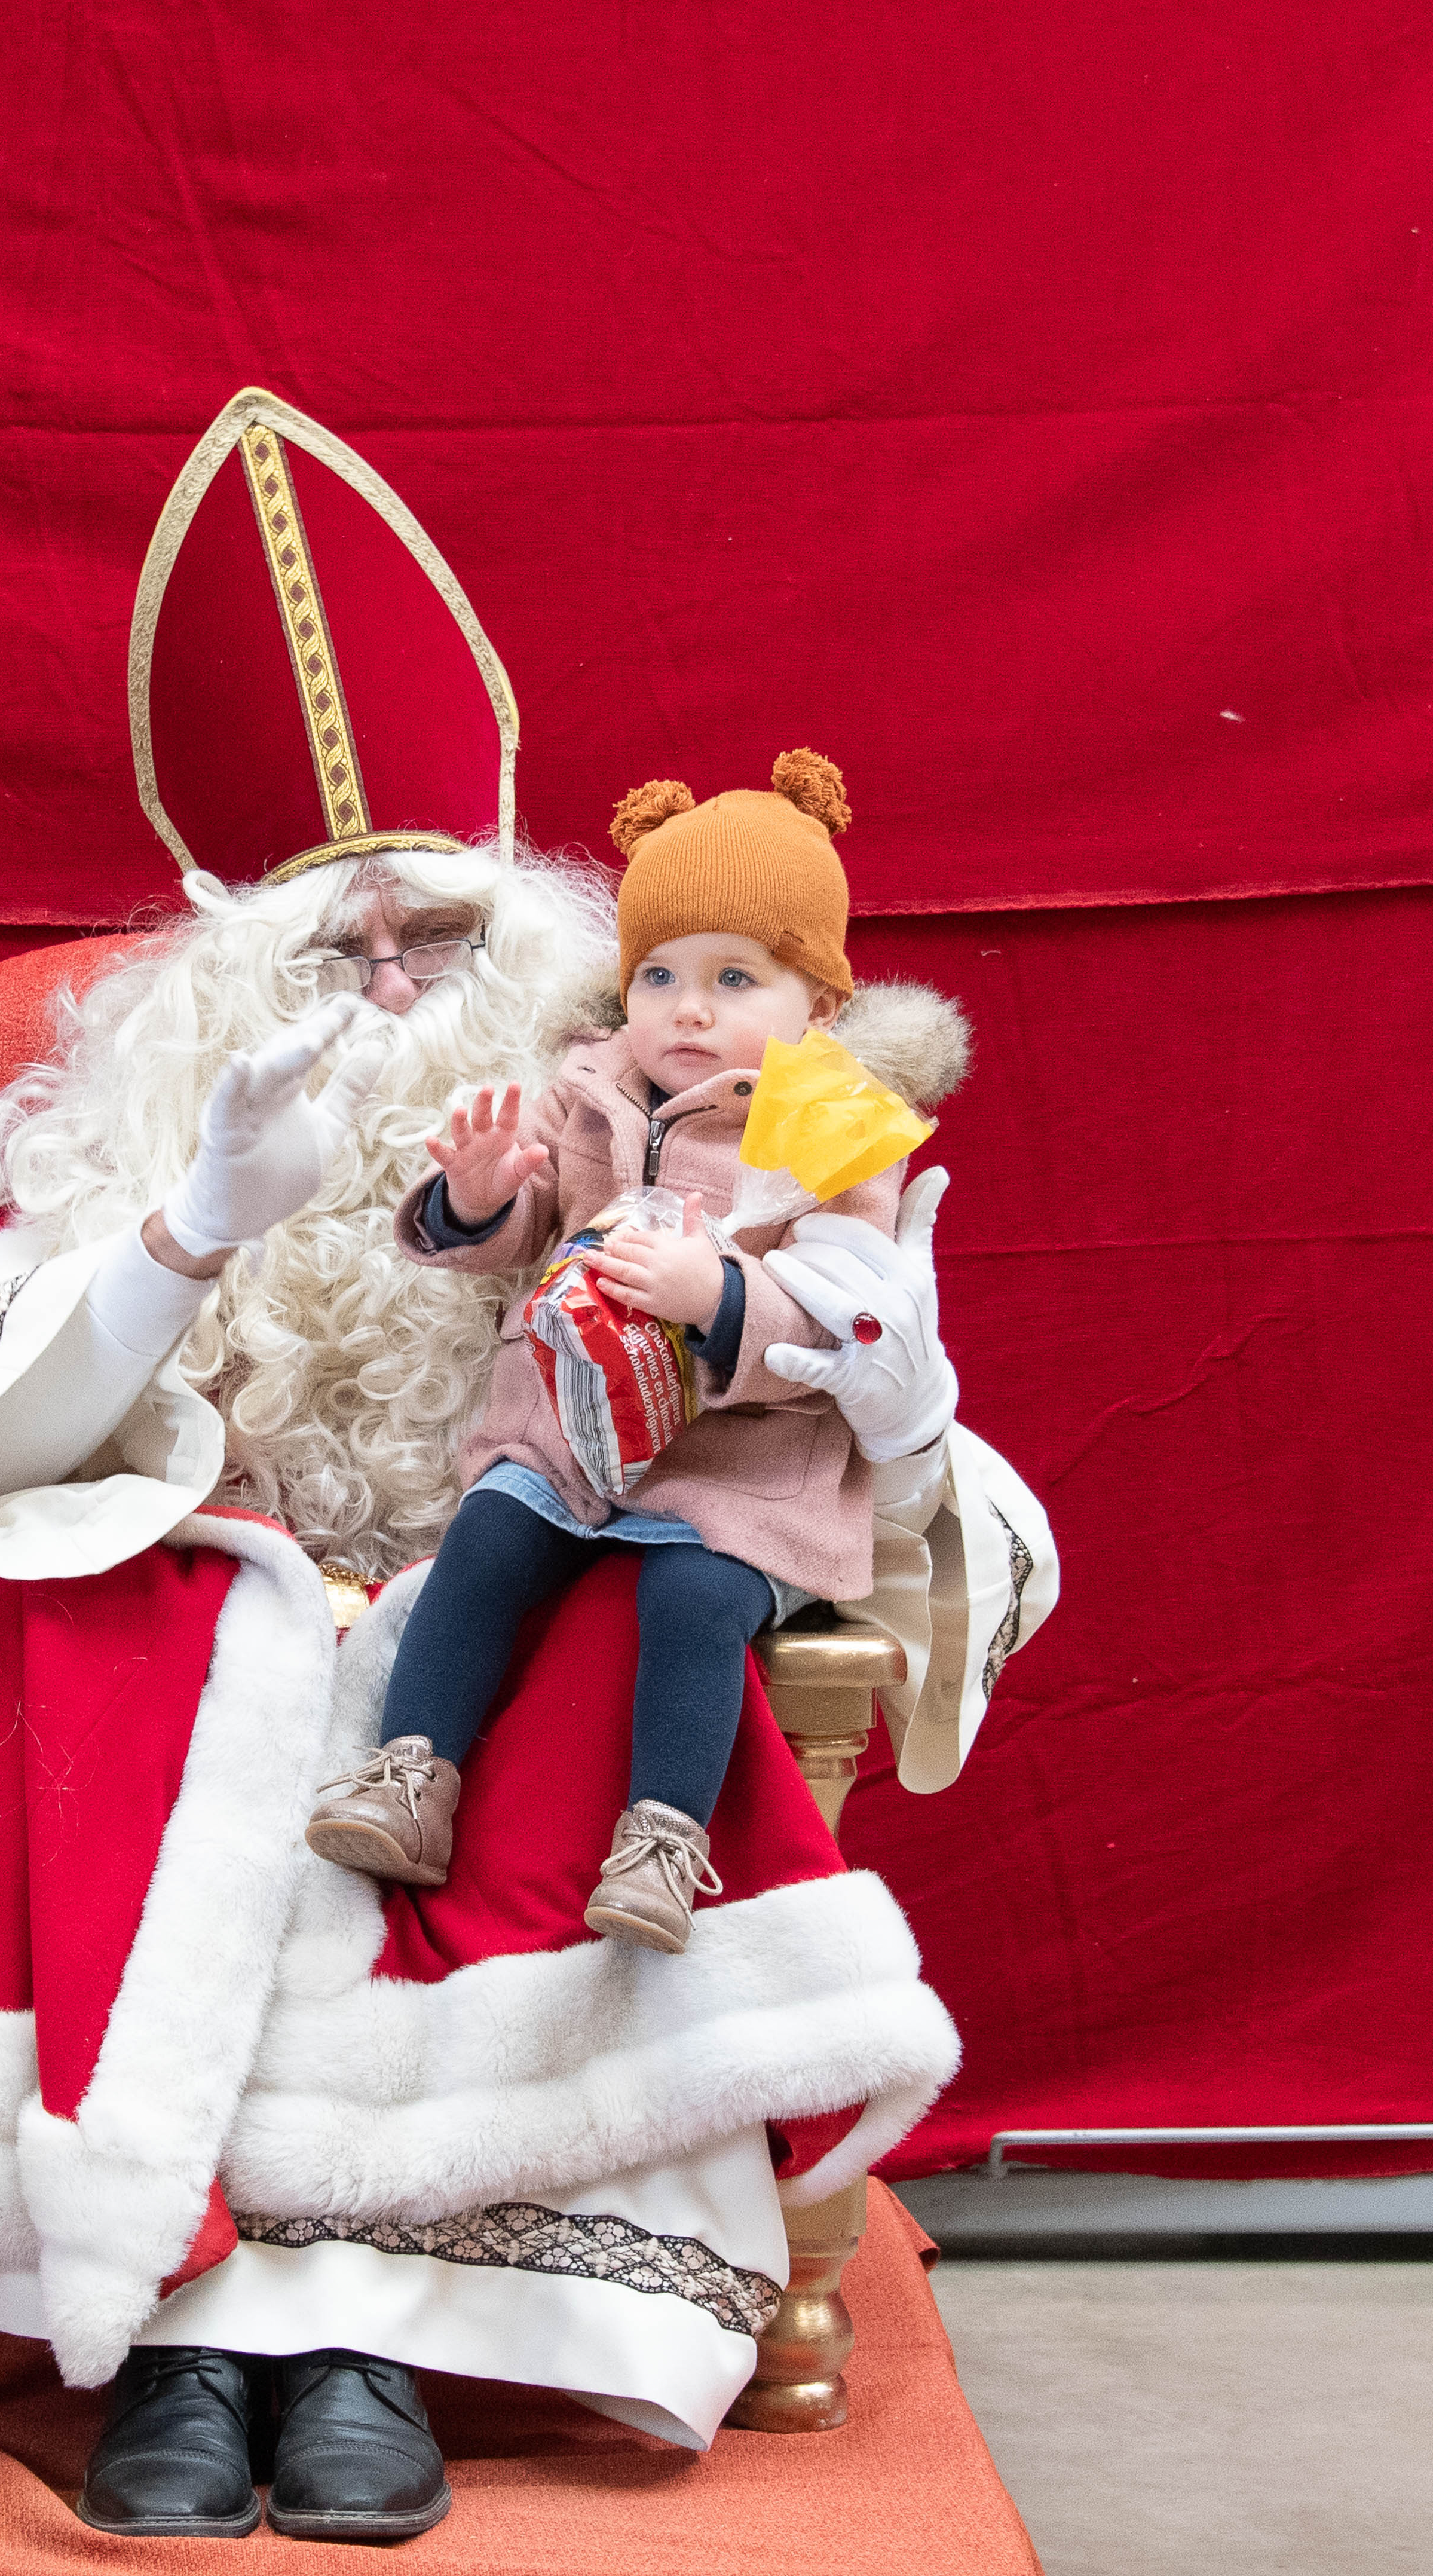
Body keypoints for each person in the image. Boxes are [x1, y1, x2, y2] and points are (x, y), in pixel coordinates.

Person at [0, 390, 1028, 2546]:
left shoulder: (719, 1145)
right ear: (218, 999)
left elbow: (907, 1456)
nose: (395, 991)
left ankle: (366, 2339)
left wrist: (791, 1341)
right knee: (134, 1676)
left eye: (440, 946)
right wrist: (191, 1231)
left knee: (580, 1645)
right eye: (338, 960)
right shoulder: (134, 1155)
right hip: (199, 1620)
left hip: (534, 1600)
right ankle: (192, 2336)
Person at [315, 753, 970, 1956]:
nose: (687, 1010)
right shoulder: (594, 1085)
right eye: (659, 976)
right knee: (488, 1536)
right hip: (568, 1432)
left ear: (817, 1007)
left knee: (695, 1598)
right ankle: (411, 1772)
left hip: (739, 1466)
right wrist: (477, 1199)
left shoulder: (835, 1131)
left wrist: (719, 1294)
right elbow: (535, 1231)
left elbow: (847, 1318)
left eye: (734, 978)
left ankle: (662, 1837)